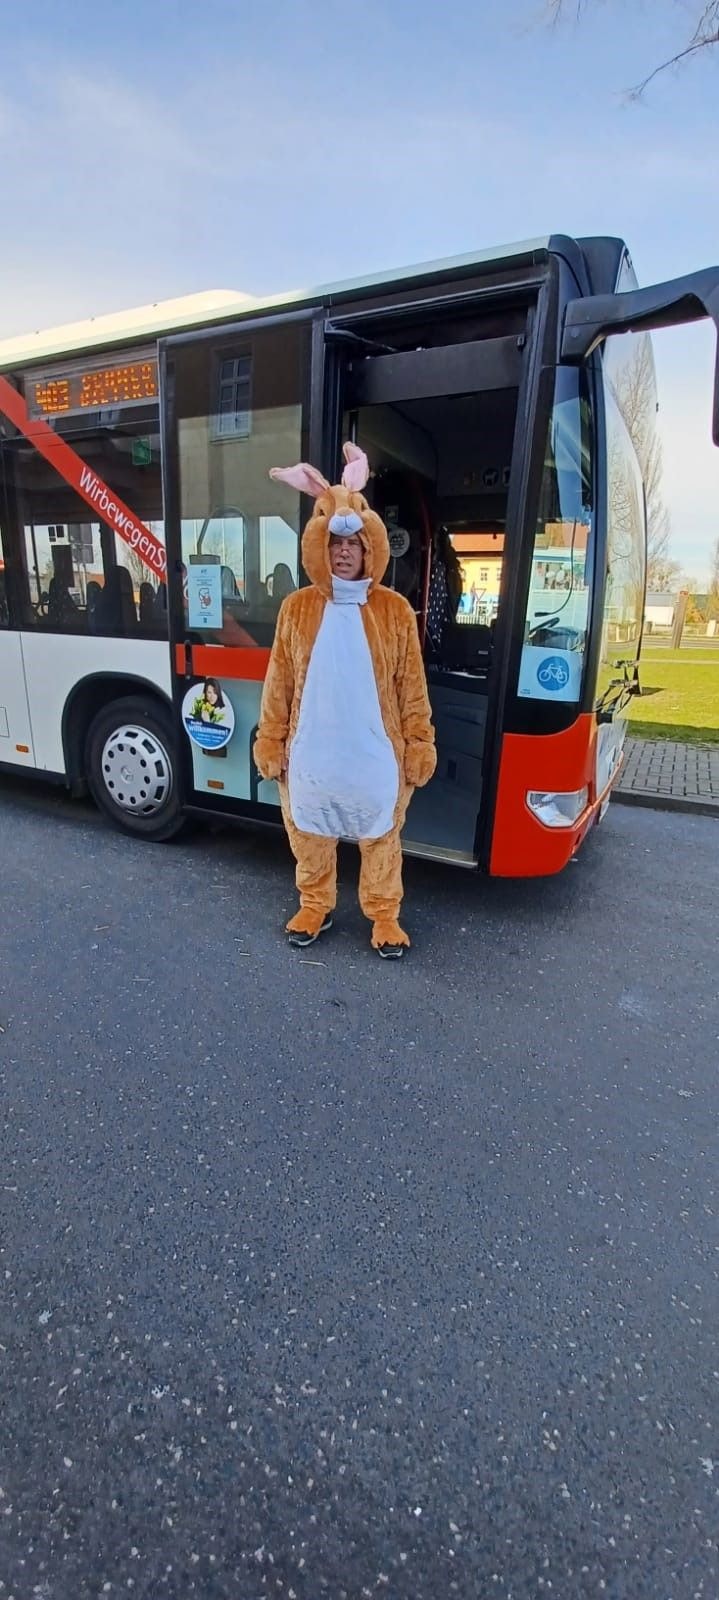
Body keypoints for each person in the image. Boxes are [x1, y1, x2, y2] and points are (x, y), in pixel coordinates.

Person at [254, 443, 436, 960]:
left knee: (382, 839)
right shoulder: (297, 609)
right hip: (312, 756)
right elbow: (279, 681)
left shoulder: (395, 611)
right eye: (334, 545)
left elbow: (411, 687)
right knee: (310, 834)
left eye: (352, 544)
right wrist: (271, 737)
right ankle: (315, 904)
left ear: (370, 547)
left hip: (375, 758)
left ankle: (384, 916)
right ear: (318, 545)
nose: (343, 552)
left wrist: (420, 741)